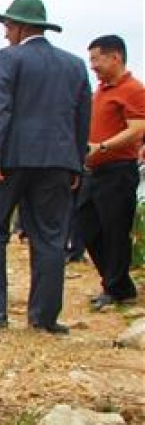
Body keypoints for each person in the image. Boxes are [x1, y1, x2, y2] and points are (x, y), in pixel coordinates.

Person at [0, 0, 91, 334]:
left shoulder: (9, 58)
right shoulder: (75, 65)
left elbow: (1, 109)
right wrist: (76, 164)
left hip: (12, 159)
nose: (5, 33)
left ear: (19, 27)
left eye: (7, 26)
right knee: (50, 237)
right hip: (58, 161)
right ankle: (44, 318)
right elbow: (81, 119)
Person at [76, 34, 145, 309]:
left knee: (114, 229)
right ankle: (118, 282)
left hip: (118, 169)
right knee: (88, 226)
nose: (92, 65)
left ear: (115, 57)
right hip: (93, 170)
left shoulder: (133, 89)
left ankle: (116, 288)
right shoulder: (102, 91)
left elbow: (138, 128)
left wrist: (102, 146)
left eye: (96, 59)